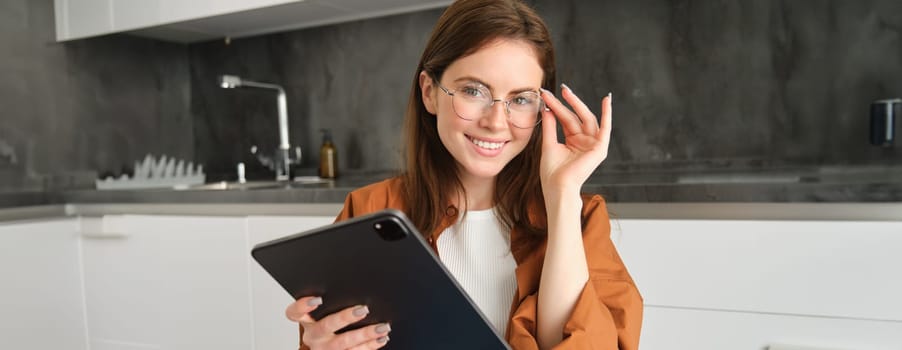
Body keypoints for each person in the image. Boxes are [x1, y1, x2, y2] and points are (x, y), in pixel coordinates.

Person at [284, 0, 643, 348]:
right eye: (474, 90)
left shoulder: (580, 219)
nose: (495, 122)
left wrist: (562, 195)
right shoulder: (370, 209)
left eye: (520, 99)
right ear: (429, 93)